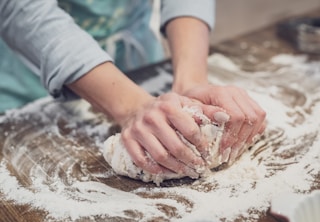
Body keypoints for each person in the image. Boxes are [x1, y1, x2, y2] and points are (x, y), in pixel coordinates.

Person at [0, 0, 266, 178]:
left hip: (136, 62)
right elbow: (21, 8)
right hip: (30, 78)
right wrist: (132, 106)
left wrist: (191, 82)